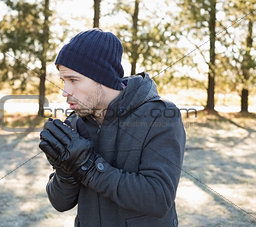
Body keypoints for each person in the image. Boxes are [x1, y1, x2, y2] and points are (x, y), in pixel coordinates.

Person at [39, 28, 185, 227]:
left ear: (102, 77)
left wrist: (88, 166)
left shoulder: (159, 116)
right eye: (63, 81)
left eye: (73, 80)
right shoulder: (75, 123)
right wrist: (65, 170)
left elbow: (158, 198)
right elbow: (60, 203)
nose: (65, 91)